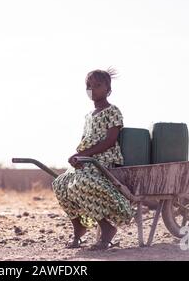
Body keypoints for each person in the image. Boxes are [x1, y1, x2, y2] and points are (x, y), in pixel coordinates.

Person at [52, 68, 135, 250]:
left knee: (81, 183)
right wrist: (77, 156)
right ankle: (79, 226)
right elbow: (85, 140)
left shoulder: (112, 111)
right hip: (87, 158)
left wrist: (86, 155)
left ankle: (107, 228)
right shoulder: (88, 116)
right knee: (60, 183)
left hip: (102, 160)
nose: (93, 89)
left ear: (108, 88)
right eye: (89, 86)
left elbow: (110, 140)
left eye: (98, 85)